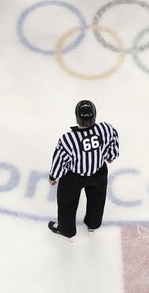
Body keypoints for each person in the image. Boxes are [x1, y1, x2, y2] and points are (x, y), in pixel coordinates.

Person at [48, 100, 120, 240]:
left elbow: (59, 159)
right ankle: (93, 224)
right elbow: (113, 146)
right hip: (98, 172)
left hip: (74, 177)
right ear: (95, 115)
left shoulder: (68, 139)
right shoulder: (106, 129)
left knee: (66, 203)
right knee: (97, 200)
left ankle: (66, 230)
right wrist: (110, 156)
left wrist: (53, 176)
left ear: (77, 117)